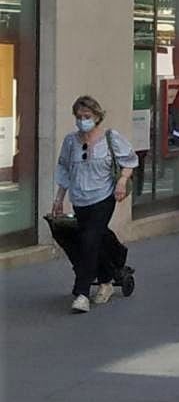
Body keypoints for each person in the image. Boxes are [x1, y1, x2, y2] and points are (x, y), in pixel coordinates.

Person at [51, 96, 138, 313]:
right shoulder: (71, 141)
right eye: (79, 117)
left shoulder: (110, 138)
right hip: (80, 198)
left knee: (90, 238)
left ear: (97, 117)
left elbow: (130, 161)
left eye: (87, 117)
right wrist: (59, 198)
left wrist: (121, 181)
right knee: (93, 238)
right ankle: (107, 279)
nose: (82, 121)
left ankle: (81, 293)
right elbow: (64, 170)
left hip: (104, 196)